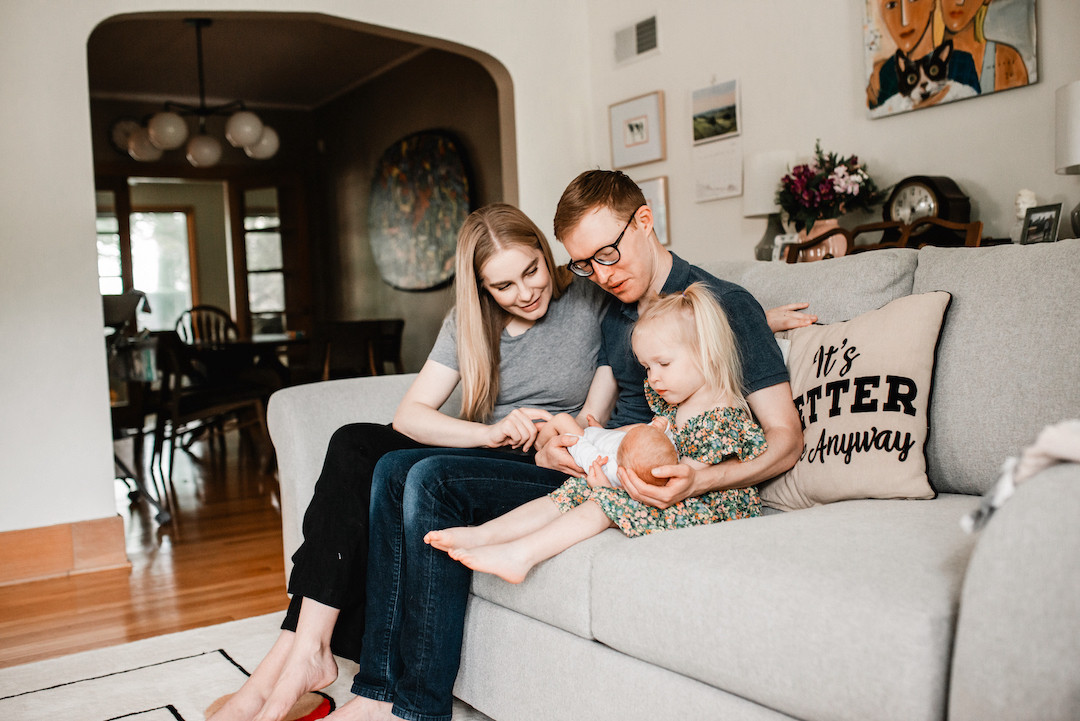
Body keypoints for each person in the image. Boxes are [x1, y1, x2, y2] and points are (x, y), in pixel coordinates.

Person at [332, 169, 804, 721]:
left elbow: (785, 438)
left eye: (608, 254)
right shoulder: (613, 308)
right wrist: (558, 441)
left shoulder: (720, 305)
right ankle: (377, 692)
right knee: (391, 469)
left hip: (637, 470)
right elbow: (591, 408)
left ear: (645, 222)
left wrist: (703, 477)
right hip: (585, 459)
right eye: (584, 263)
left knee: (432, 480)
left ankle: (417, 710)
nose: (600, 275)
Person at [207, 203, 611, 721]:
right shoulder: (470, 321)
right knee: (354, 444)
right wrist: (489, 432)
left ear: (544, 251)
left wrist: (569, 427)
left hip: (544, 460)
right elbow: (410, 416)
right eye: (503, 286)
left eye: (531, 271)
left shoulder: (587, 297)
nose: (526, 292)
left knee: (398, 472)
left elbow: (616, 377)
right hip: (490, 450)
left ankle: (294, 667)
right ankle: (303, 650)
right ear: (482, 287)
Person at [432, 283, 768, 584]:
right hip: (668, 493)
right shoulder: (677, 400)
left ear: (707, 354)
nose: (653, 379)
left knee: (600, 503)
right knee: (572, 490)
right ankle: (484, 536)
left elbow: (681, 482)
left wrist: (612, 487)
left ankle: (520, 556)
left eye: (663, 364)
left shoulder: (722, 417)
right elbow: (647, 438)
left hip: (707, 509)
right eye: (647, 368)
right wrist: (604, 435)